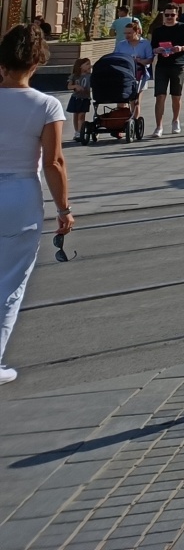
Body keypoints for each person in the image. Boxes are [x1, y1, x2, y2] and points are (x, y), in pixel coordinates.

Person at [0, 25, 74, 386]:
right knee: (10, 281)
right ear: (37, 64)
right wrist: (63, 209)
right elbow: (54, 162)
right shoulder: (46, 105)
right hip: (19, 195)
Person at [149, 7, 184, 138]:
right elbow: (152, 47)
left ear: (177, 15)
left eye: (172, 15)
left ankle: (175, 120)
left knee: (176, 96)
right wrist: (157, 50)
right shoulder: (158, 30)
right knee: (160, 96)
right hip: (162, 66)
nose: (169, 17)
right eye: (167, 14)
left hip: (178, 65)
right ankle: (159, 126)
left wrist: (181, 48)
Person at [115, 19, 154, 132]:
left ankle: (135, 124)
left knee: (135, 100)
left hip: (139, 74)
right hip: (124, 74)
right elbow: (115, 57)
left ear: (137, 32)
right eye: (125, 33)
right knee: (122, 100)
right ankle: (120, 124)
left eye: (129, 33)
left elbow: (150, 59)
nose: (126, 35)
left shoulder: (145, 43)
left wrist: (140, 61)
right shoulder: (121, 44)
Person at [65, 57, 92, 145]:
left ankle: (81, 132)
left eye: (90, 64)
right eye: (87, 64)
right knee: (75, 115)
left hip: (85, 98)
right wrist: (75, 86)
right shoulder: (74, 76)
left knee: (81, 116)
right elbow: (69, 86)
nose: (89, 66)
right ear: (80, 66)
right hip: (75, 98)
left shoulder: (89, 76)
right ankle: (77, 131)